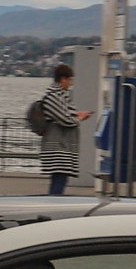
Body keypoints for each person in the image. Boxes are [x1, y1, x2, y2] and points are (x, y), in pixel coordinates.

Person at [35, 65, 93, 195]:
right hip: (58, 145)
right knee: (59, 178)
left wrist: (77, 115)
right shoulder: (54, 96)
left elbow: (64, 115)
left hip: (61, 145)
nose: (71, 84)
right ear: (63, 79)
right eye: (70, 80)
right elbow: (65, 119)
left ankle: (54, 201)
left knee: (60, 177)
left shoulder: (59, 95)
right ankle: (53, 204)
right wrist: (80, 118)